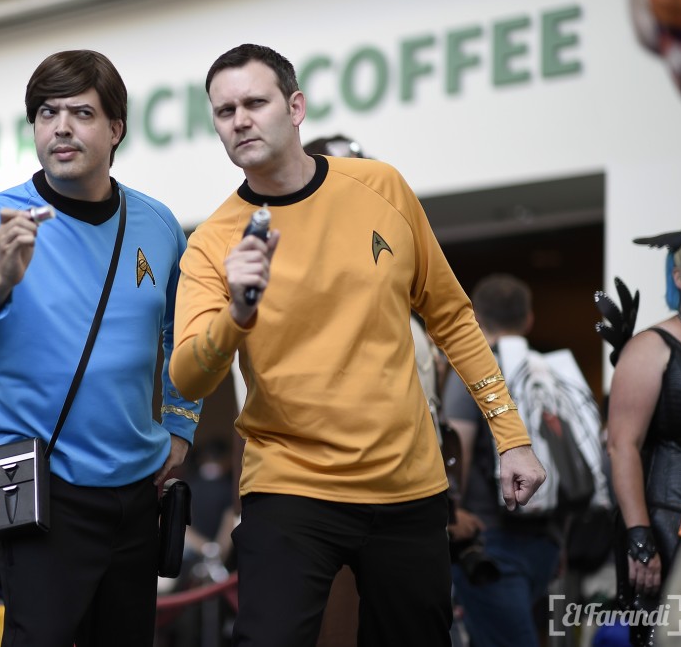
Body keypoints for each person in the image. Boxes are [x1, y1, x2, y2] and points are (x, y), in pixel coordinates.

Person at [169, 43, 546, 646]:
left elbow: (451, 316)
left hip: (406, 485)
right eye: (224, 111)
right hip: (289, 484)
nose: (239, 119)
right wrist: (236, 312)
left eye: (255, 102)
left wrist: (512, 438)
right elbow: (188, 377)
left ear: (296, 107)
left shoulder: (381, 186)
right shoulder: (213, 242)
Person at [0, 49, 202, 646]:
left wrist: (181, 426)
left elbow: (180, 335)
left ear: (116, 129)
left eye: (81, 112)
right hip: (32, 475)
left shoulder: (157, 224)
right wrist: (0, 279)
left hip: (137, 484)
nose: (61, 127)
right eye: (46, 113)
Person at [442, 273, 563, 646]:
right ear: (528, 320)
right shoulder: (550, 372)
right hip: (547, 540)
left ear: (475, 318)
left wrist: (451, 512)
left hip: (488, 539)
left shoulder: (477, 374)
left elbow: (456, 447)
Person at [606, 228, 681, 647]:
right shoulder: (652, 348)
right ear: (680, 278)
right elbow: (622, 445)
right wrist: (640, 537)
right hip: (666, 520)